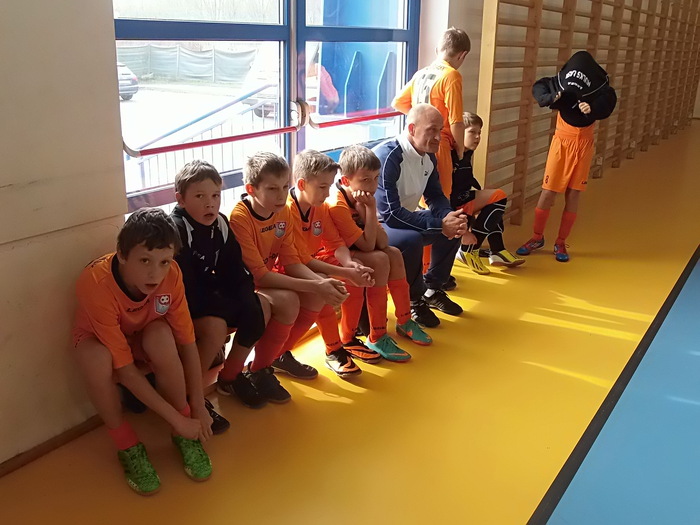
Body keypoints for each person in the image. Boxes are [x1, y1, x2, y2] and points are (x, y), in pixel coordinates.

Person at [72, 208, 213, 496]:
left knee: (162, 335)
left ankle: (182, 431)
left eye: (164, 261)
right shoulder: (95, 283)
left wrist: (197, 405)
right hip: (99, 342)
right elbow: (124, 371)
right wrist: (178, 420)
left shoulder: (172, 275)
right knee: (97, 359)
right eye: (145, 260)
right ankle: (128, 446)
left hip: (142, 333)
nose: (155, 273)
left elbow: (187, 342)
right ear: (122, 255)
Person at [229, 152, 349, 399]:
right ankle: (233, 375)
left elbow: (292, 262)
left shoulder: (282, 212)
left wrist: (323, 283)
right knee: (290, 299)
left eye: (285, 187)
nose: (281, 195)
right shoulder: (239, 218)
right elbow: (260, 276)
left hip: (264, 280)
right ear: (251, 189)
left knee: (315, 295)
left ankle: (266, 365)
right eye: (272, 189)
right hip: (240, 286)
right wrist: (318, 284)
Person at [170, 160, 269, 415]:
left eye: (215, 195)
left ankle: (230, 377)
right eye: (200, 196)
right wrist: (227, 307)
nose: (210, 204)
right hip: (177, 305)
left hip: (206, 296)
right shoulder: (177, 229)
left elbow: (234, 270)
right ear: (181, 200)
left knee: (259, 307)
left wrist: (246, 300)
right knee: (216, 329)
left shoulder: (221, 223)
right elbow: (186, 290)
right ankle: (189, 397)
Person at [330, 144, 433, 354]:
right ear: (346, 181)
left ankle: (404, 320)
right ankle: (377, 335)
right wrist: (370, 209)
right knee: (380, 259)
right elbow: (369, 245)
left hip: (355, 248)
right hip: (333, 254)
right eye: (365, 180)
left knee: (393, 254)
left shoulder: (363, 198)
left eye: (376, 178)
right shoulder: (338, 204)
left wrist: (367, 210)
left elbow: (383, 242)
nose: (372, 186)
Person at [287, 150, 383, 374]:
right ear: (301, 184)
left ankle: (348, 338)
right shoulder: (287, 211)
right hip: (288, 268)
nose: (327, 193)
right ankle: (332, 349)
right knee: (324, 284)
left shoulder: (320, 207)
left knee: (354, 273)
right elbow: (300, 260)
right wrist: (345, 272)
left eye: (329, 186)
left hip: (310, 261)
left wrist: (349, 264)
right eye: (322, 187)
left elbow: (335, 243)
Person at [516, 50, 617, 262]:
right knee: (548, 193)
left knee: (573, 194)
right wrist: (550, 98)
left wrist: (593, 108)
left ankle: (561, 242)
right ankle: (536, 237)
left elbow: (609, 99)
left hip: (583, 145)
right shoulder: (560, 83)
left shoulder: (597, 89)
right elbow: (540, 87)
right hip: (562, 143)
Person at [373, 104, 467, 328]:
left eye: (440, 130)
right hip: (373, 225)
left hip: (399, 218)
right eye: (432, 130)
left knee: (456, 224)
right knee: (411, 239)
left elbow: (435, 195)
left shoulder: (429, 156)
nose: (438, 137)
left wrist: (449, 217)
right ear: (412, 129)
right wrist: (439, 225)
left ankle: (432, 289)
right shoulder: (388, 157)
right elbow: (391, 214)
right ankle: (414, 300)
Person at [392, 27, 471, 196]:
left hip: (416, 141)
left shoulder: (421, 73)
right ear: (462, 55)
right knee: (440, 196)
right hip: (438, 143)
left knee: (420, 195)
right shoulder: (452, 76)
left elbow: (398, 102)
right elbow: (456, 121)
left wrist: (422, 121)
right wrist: (460, 151)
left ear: (437, 50)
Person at [452, 113, 525, 275]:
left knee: (495, 202)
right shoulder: (450, 155)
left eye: (479, 133)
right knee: (498, 197)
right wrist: (465, 232)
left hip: (462, 198)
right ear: (459, 132)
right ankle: (469, 249)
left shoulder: (466, 153)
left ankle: (497, 250)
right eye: (472, 132)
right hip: (451, 206)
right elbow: (444, 194)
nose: (477, 137)